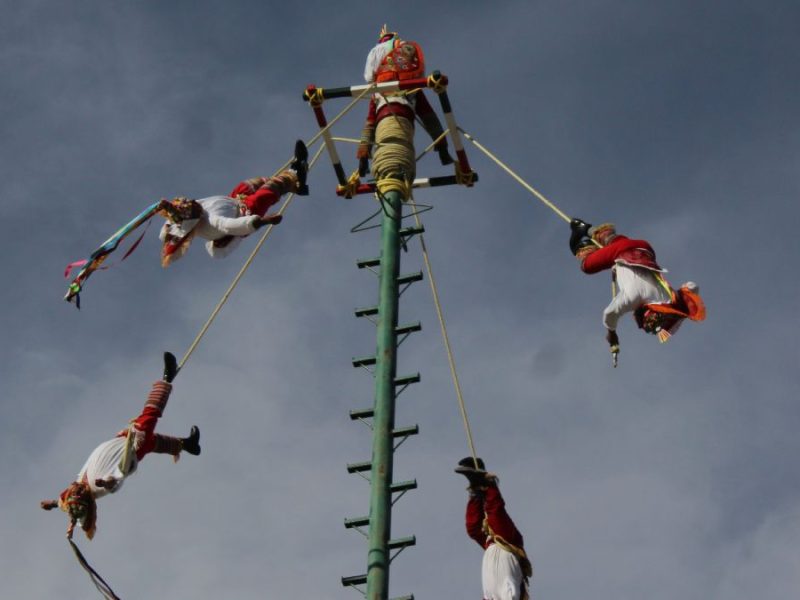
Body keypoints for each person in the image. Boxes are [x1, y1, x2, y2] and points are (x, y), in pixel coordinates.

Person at [40, 352, 200, 540]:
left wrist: (51, 504)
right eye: (79, 493)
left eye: (73, 492)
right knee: (148, 417)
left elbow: (62, 502)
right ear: (87, 499)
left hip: (124, 441)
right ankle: (167, 379)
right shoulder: (97, 488)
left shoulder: (74, 491)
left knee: (153, 442)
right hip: (132, 447)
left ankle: (186, 445)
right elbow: (115, 482)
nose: (76, 489)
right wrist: (105, 482)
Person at [157, 140, 309, 266]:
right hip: (245, 213)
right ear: (192, 219)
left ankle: (294, 185)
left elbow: (174, 224)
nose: (192, 203)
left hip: (235, 200)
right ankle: (296, 172)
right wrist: (264, 221)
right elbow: (230, 225)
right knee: (266, 192)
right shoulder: (210, 221)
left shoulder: (193, 209)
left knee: (247, 185)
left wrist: (168, 208)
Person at [569, 219, 706, 352]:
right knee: (587, 266)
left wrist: (685, 300)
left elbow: (692, 286)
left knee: (614, 241)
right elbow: (608, 314)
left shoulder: (668, 299)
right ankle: (584, 241)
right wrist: (612, 334)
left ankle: (589, 229)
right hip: (621, 251)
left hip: (644, 248)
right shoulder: (632, 299)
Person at [356, 26, 453, 187]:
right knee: (430, 118)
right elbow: (429, 117)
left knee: (370, 124)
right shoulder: (403, 51)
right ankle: (443, 150)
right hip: (404, 96)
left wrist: (363, 154)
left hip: (386, 97)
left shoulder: (376, 60)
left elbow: (369, 122)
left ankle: (363, 159)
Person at [456, 457, 532, 600]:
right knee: (496, 515)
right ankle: (487, 483)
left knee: (473, 528)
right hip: (510, 546)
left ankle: (476, 492)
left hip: (491, 548)